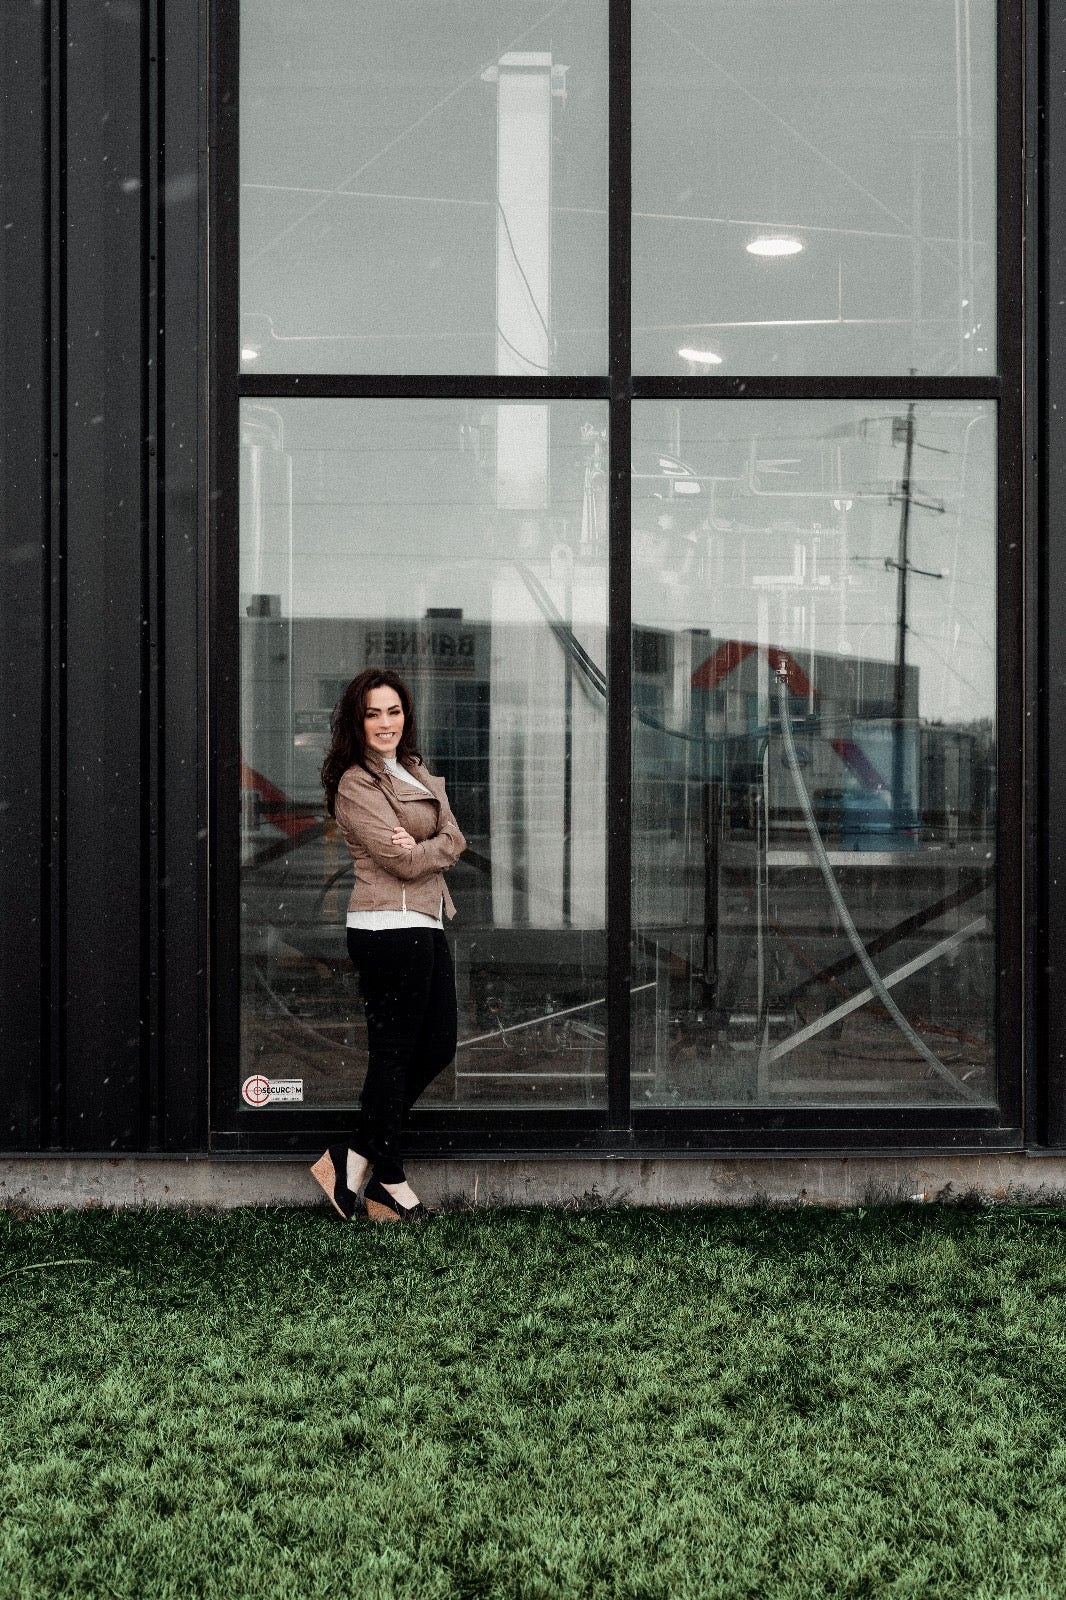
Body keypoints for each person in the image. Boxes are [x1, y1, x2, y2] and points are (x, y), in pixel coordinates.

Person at [311, 668, 466, 1221]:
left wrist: (427, 844)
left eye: (393, 711)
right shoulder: (356, 783)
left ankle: (353, 1156)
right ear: (358, 720)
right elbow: (400, 859)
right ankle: (390, 1182)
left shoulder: (415, 768)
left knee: (438, 1044)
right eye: (373, 713)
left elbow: (456, 836)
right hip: (384, 928)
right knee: (395, 1054)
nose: (385, 723)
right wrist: (433, 845)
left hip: (425, 920)